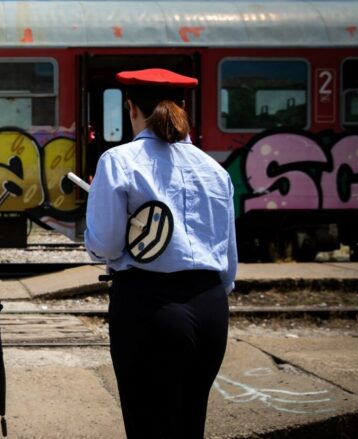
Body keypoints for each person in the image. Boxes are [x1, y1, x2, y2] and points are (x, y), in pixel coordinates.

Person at [84, 68, 237, 439]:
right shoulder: (215, 171)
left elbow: (104, 245)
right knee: (190, 424)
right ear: (182, 109)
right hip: (211, 309)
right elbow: (228, 263)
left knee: (149, 425)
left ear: (131, 108)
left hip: (149, 307)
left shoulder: (119, 161)